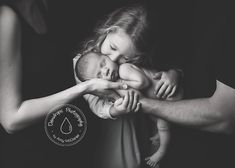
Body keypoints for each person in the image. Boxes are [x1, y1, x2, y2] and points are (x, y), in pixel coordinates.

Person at [75, 50, 183, 167]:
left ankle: (161, 151)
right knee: (156, 120)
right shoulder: (114, 85)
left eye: (103, 63)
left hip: (169, 95)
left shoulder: (123, 69)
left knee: (163, 127)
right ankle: (158, 135)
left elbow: (143, 82)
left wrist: (124, 84)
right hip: (160, 98)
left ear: (107, 56)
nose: (105, 71)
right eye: (99, 75)